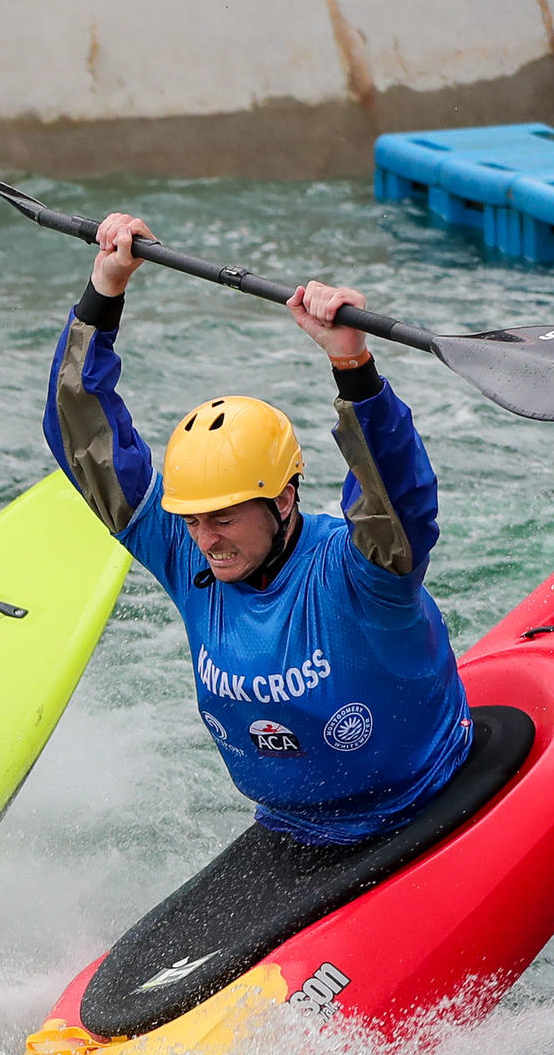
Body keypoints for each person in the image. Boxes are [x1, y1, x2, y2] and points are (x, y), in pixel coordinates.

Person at [44, 214, 468, 845]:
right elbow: (83, 434)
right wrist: (105, 288)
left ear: (284, 500)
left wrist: (350, 361)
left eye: (223, 518)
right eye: (191, 520)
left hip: (421, 806)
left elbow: (395, 494)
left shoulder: (362, 571)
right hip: (289, 829)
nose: (205, 540)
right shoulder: (187, 553)